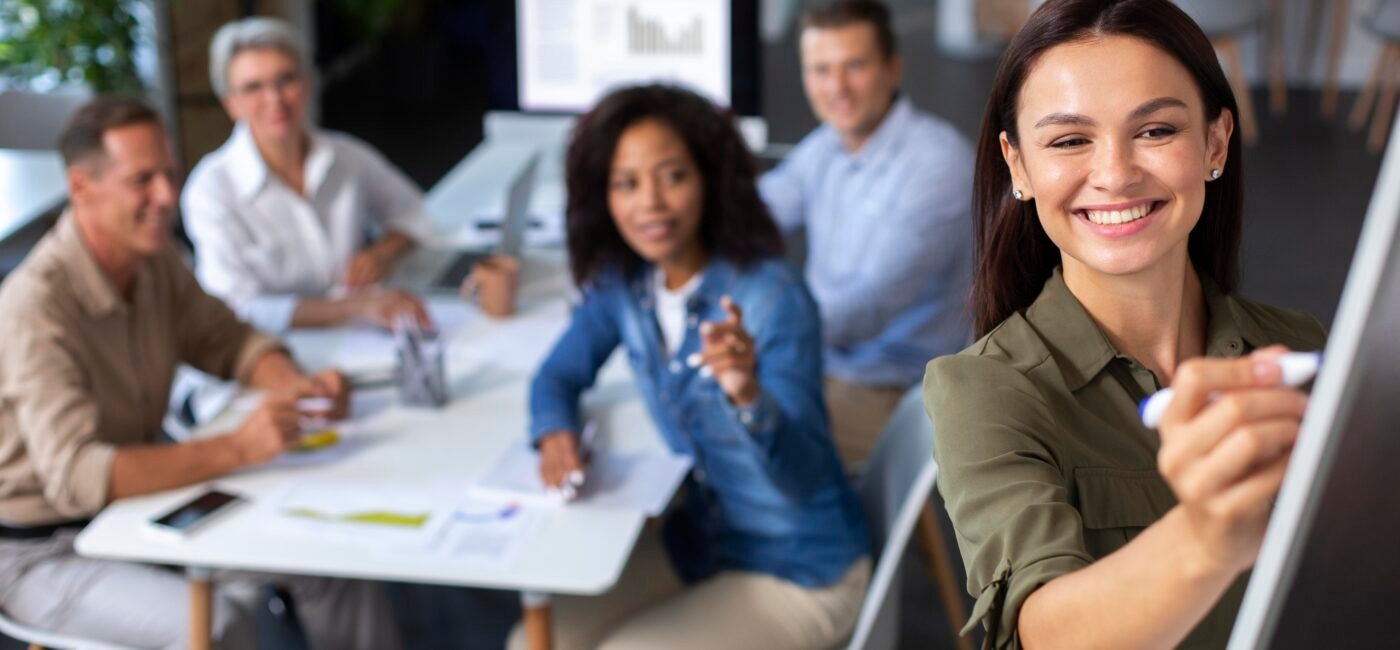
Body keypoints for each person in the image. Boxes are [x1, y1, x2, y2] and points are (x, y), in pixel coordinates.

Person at [923, 1, 1327, 648]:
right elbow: (1046, 631)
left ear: (1215, 142)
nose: (1114, 174)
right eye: (1068, 140)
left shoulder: (1303, 349)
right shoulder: (985, 391)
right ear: (1018, 164)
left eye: (1156, 131)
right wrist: (1204, 537)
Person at [0, 96, 402, 649]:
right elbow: (77, 476)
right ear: (81, 187)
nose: (168, 196)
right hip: (44, 550)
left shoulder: (154, 259)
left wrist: (294, 387)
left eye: (169, 172)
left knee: (327, 558)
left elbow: (229, 339)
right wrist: (239, 448)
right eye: (142, 180)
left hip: (137, 513)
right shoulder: (35, 307)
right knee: (214, 626)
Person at [508, 85, 870, 650]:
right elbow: (556, 375)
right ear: (602, 195)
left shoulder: (773, 296)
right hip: (702, 544)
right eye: (626, 183)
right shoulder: (625, 283)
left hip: (799, 567)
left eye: (671, 176)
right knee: (534, 641)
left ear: (708, 178)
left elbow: (801, 473)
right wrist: (554, 433)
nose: (649, 203)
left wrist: (748, 396)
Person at [759, 0, 976, 468]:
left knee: (734, 431)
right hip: (823, 368)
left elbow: (865, 309)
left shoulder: (937, 164)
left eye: (854, 66)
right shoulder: (827, 147)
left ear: (893, 69)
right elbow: (754, 215)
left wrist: (759, 328)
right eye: (820, 70)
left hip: (888, 393)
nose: (836, 88)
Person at [183, 16, 432, 334]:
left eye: (285, 79)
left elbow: (415, 212)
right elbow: (236, 305)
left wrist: (382, 252)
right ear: (231, 104)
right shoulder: (211, 190)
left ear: (308, 83)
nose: (274, 99)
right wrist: (355, 307)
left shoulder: (346, 155)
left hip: (364, 334)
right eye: (253, 87)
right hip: (281, 348)